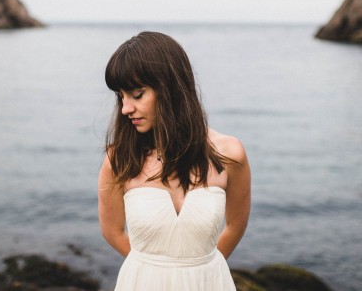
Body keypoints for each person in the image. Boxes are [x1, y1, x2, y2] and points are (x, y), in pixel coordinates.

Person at [98, 31, 251, 290]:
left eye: (136, 94)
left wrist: (202, 270)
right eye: (121, 96)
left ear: (170, 89)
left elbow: (235, 225)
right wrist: (153, 271)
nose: (125, 109)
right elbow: (113, 232)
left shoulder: (230, 154)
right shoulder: (119, 159)